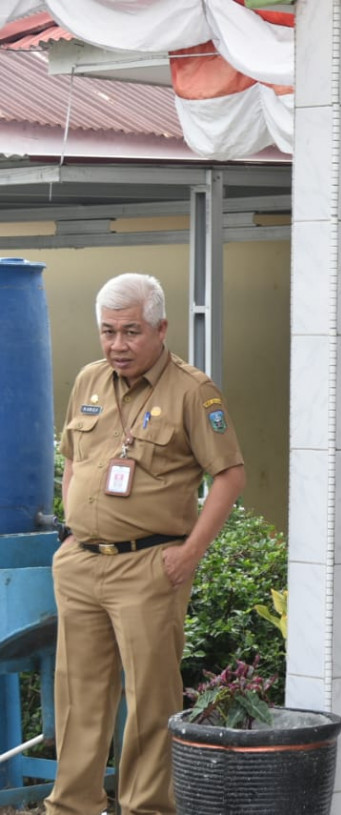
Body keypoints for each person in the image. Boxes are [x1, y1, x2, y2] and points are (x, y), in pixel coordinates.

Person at [48, 273, 246, 815]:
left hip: (148, 565)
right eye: (107, 332)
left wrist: (191, 553)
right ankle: (72, 806)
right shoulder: (89, 379)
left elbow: (229, 475)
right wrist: (71, 530)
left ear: (161, 328)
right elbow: (73, 460)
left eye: (130, 332)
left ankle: (146, 808)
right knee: (78, 697)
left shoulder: (192, 390)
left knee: (151, 700)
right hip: (82, 564)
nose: (117, 345)